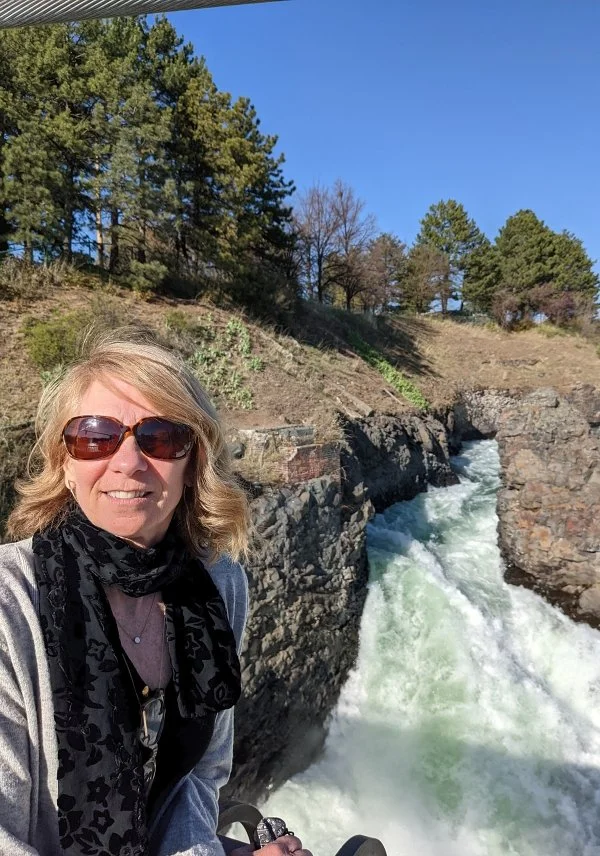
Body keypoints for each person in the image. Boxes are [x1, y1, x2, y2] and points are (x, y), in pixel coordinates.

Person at [0, 328, 311, 856]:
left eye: (161, 437)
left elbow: (200, 775)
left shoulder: (217, 587)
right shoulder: (11, 602)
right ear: (65, 464)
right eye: (95, 436)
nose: (128, 462)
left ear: (192, 464)